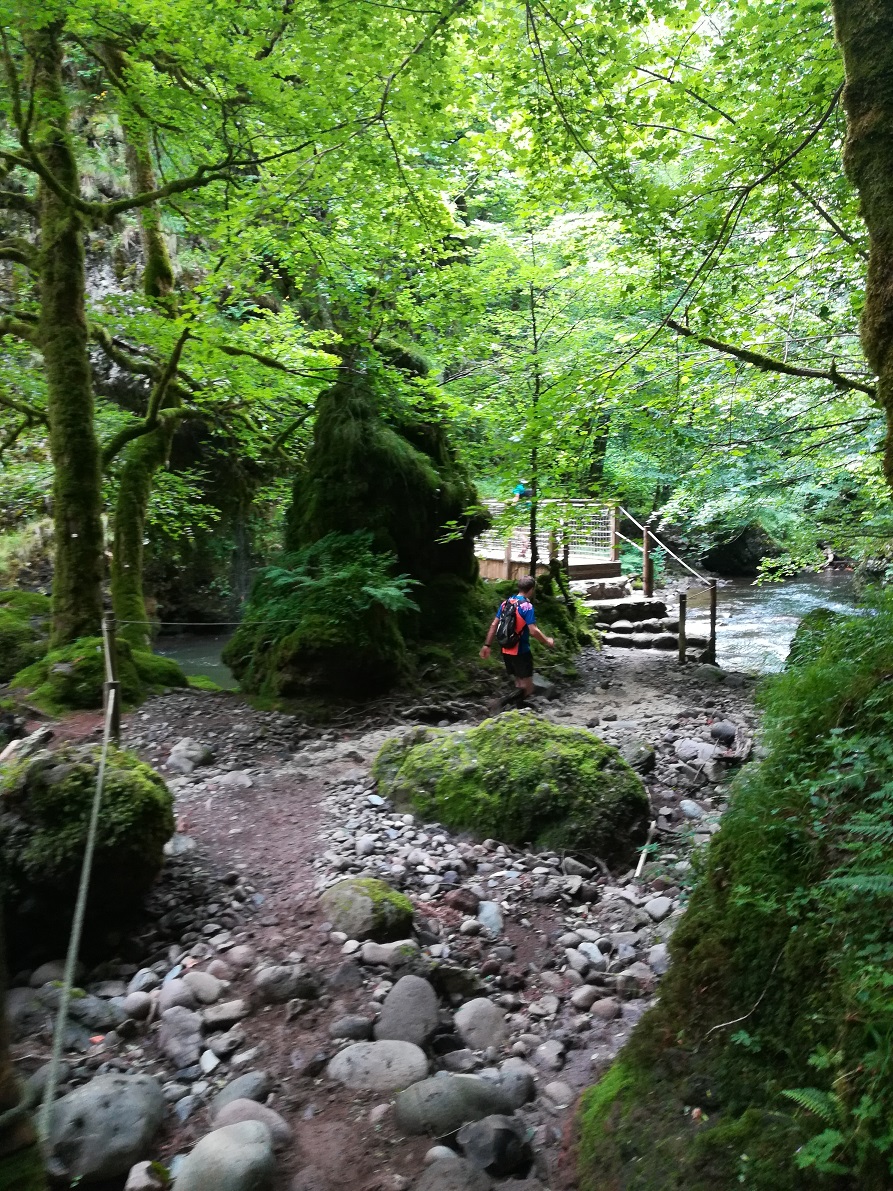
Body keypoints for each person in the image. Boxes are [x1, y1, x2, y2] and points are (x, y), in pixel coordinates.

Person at [480, 575, 555, 708]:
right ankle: (502, 703)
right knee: (528, 688)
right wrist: (547, 641)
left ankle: (516, 710)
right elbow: (533, 631)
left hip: (506, 649)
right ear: (531, 589)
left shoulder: (506, 603)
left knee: (519, 683)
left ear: (519, 587)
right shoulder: (527, 606)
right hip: (521, 650)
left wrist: (487, 645)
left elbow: (493, 625)